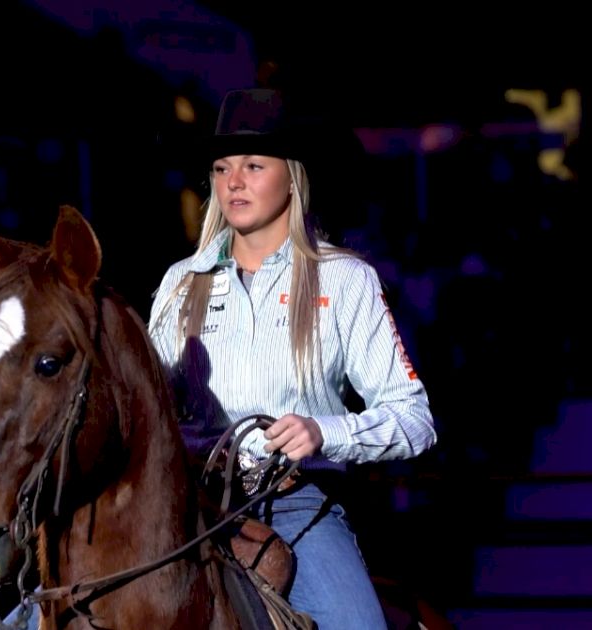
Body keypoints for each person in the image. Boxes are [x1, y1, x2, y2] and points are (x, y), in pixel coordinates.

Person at [146, 87, 437, 630]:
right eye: (221, 167)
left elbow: (415, 420)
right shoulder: (179, 284)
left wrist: (325, 433)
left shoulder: (345, 281)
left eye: (254, 165)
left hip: (294, 504)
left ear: (293, 175)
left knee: (360, 625)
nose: (233, 181)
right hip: (186, 508)